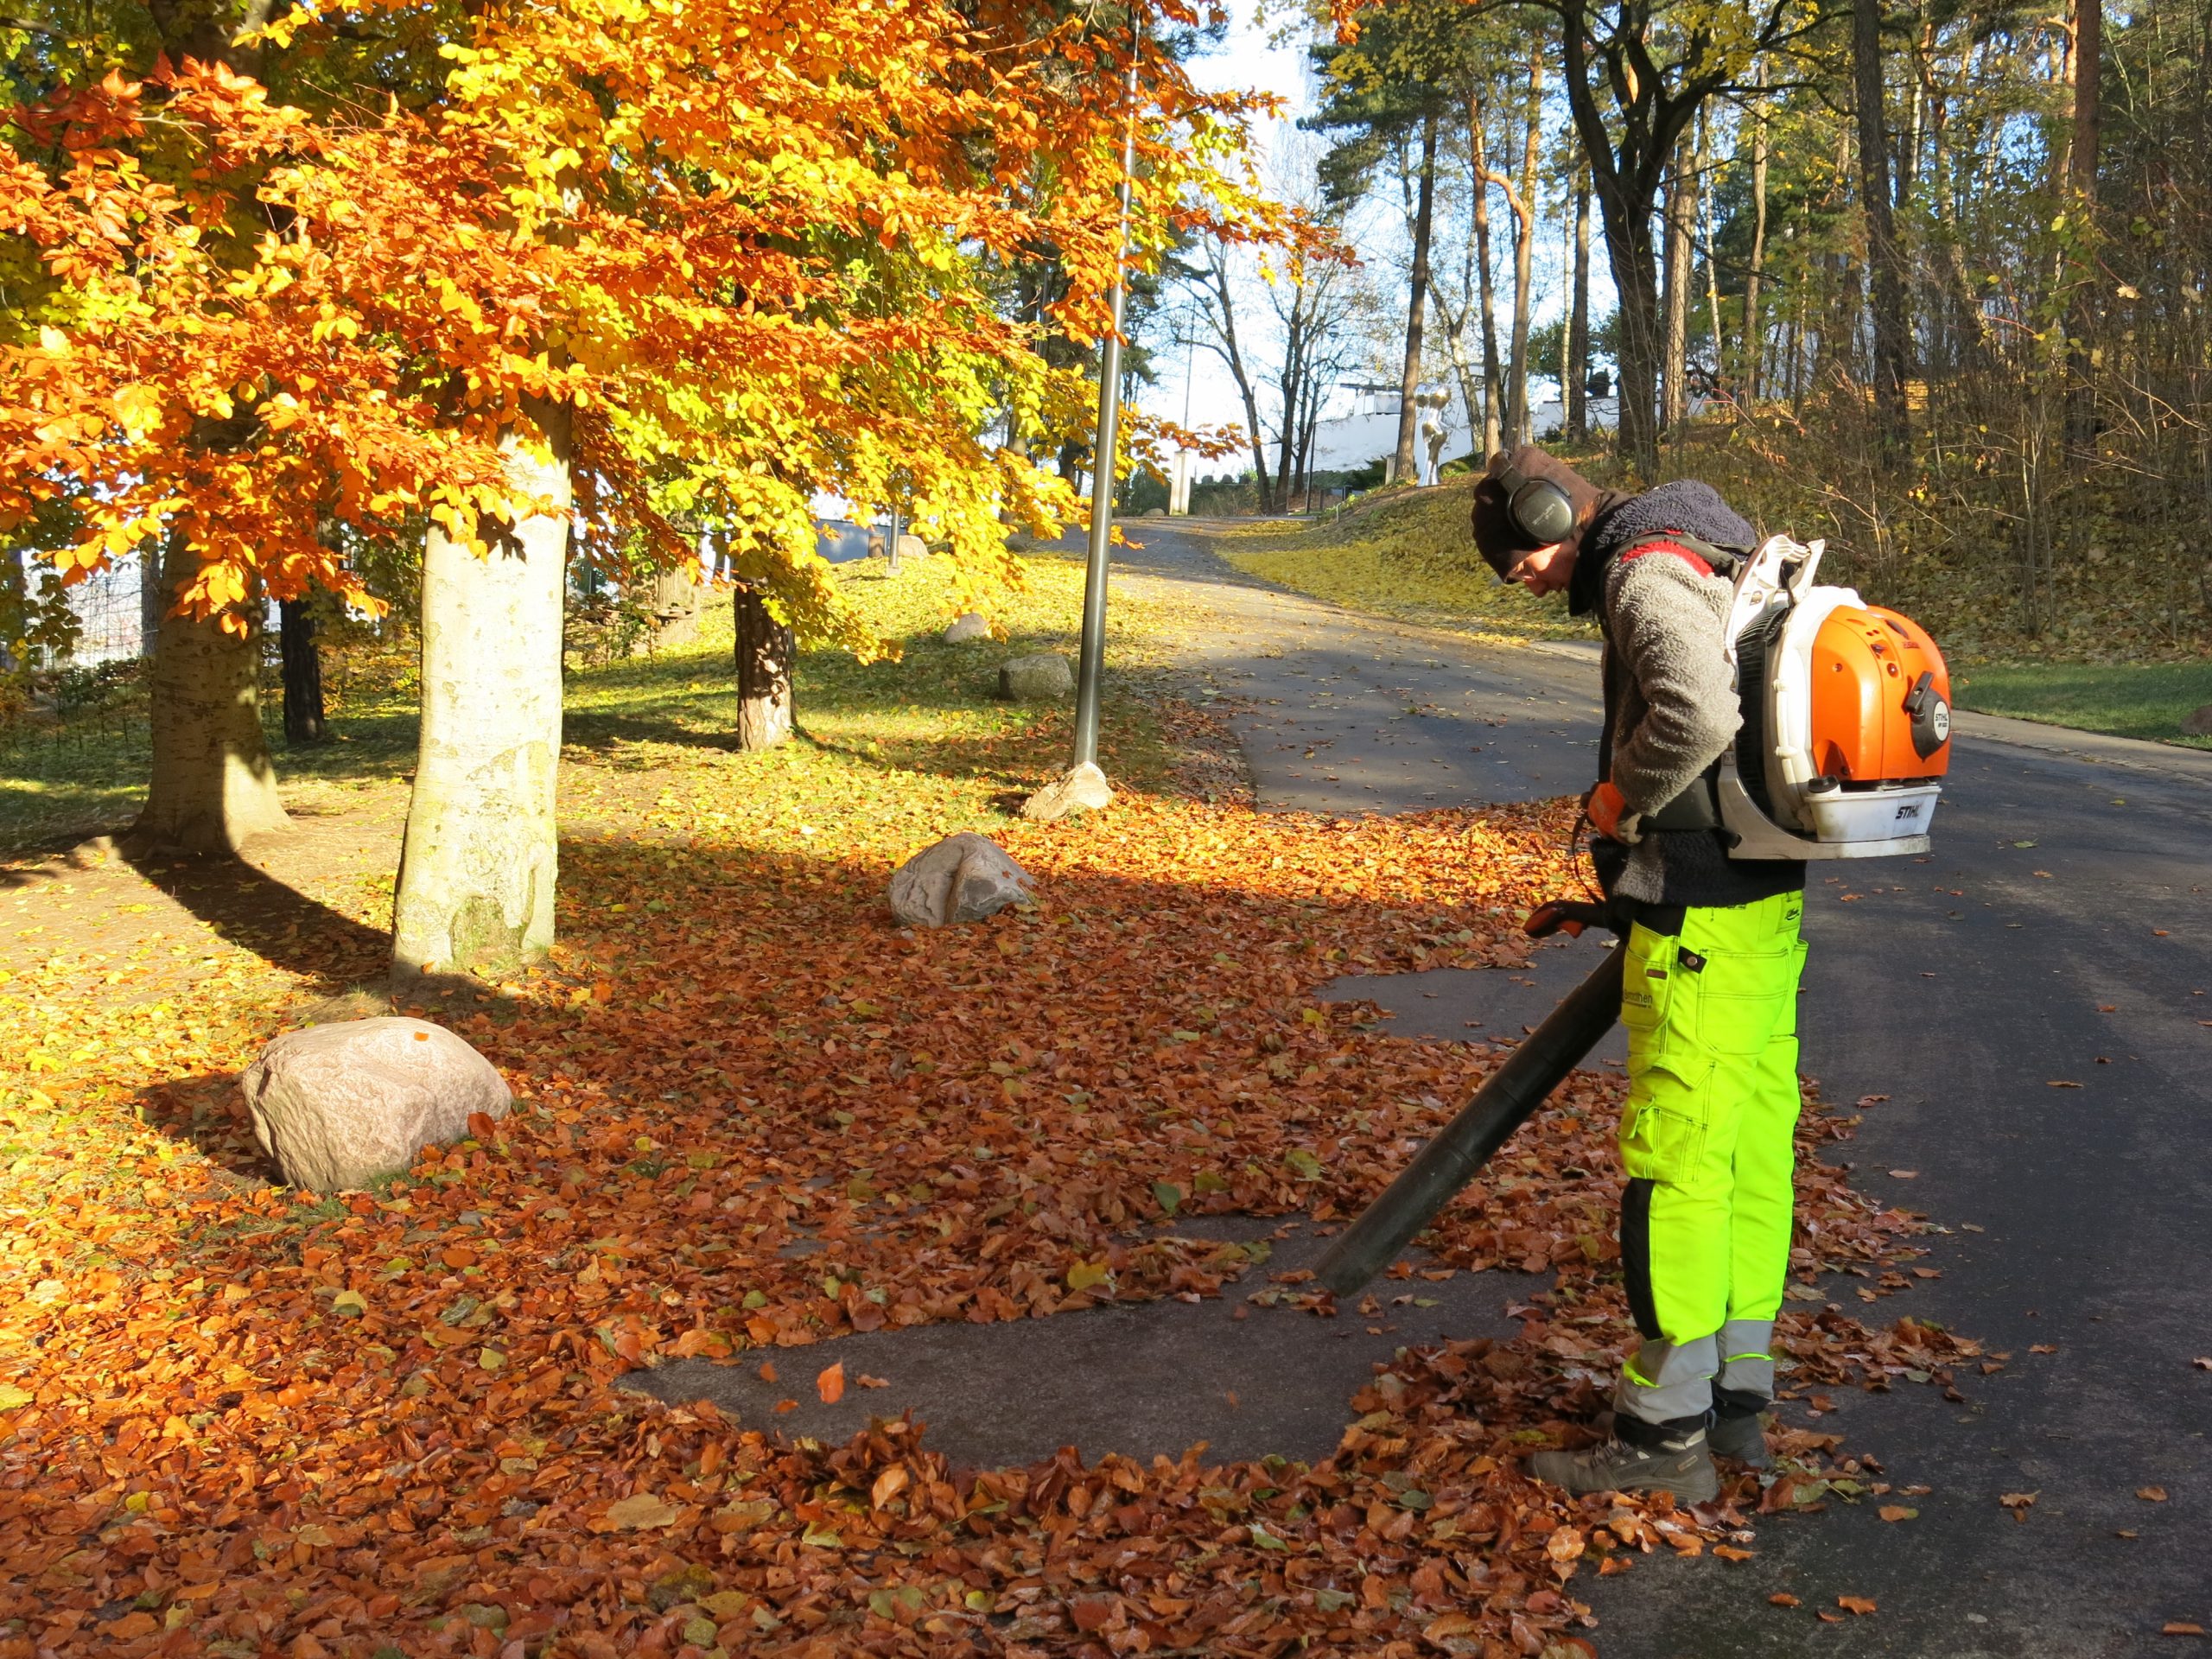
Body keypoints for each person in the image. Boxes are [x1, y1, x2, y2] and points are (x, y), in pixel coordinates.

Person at [1469, 445, 1808, 1503]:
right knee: (1751, 1158)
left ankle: (1661, 1444)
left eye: (1518, 556)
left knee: (1678, 1172)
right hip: (1761, 910)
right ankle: (1736, 1408)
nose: (1518, 578)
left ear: (1551, 514)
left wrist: (1621, 799)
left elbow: (1701, 716)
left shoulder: (1643, 570)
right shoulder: (1710, 548)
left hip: (1701, 919)